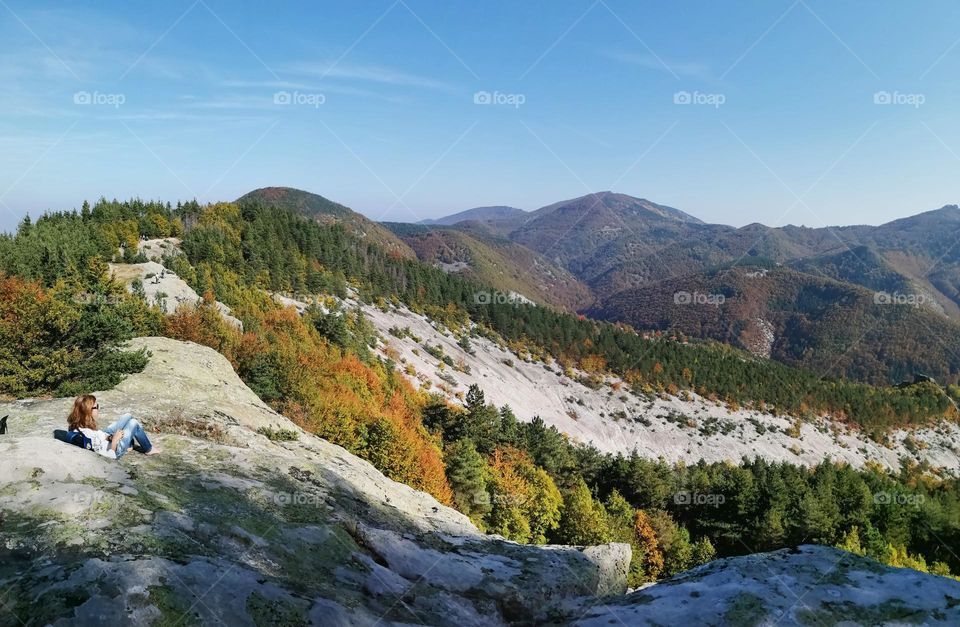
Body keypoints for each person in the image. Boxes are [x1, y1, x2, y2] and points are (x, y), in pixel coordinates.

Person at [67, 395, 160, 459]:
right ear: (87, 411)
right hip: (115, 449)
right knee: (133, 423)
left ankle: (129, 444)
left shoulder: (79, 425)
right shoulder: (88, 437)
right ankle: (149, 449)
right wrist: (115, 440)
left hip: (105, 437)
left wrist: (110, 437)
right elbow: (110, 456)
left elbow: (98, 436)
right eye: (96, 407)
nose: (98, 408)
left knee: (127, 416)